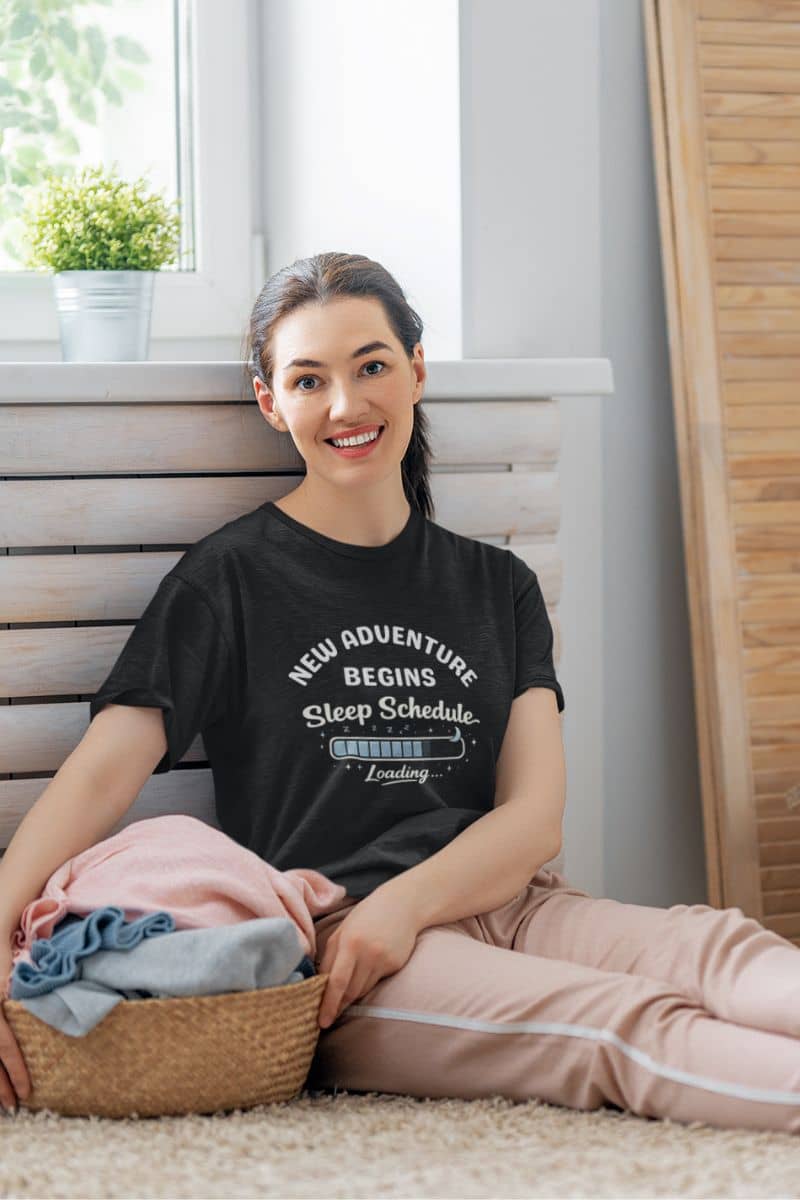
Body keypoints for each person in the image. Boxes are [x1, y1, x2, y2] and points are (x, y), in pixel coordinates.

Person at [2, 253, 800, 1135]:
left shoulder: (497, 584)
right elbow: (100, 780)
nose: (346, 405)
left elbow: (534, 819)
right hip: (352, 956)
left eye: (372, 365)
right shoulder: (227, 578)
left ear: (416, 370)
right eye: (310, 379)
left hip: (510, 901)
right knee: (620, 1025)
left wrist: (408, 904)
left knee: (714, 948)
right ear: (272, 403)